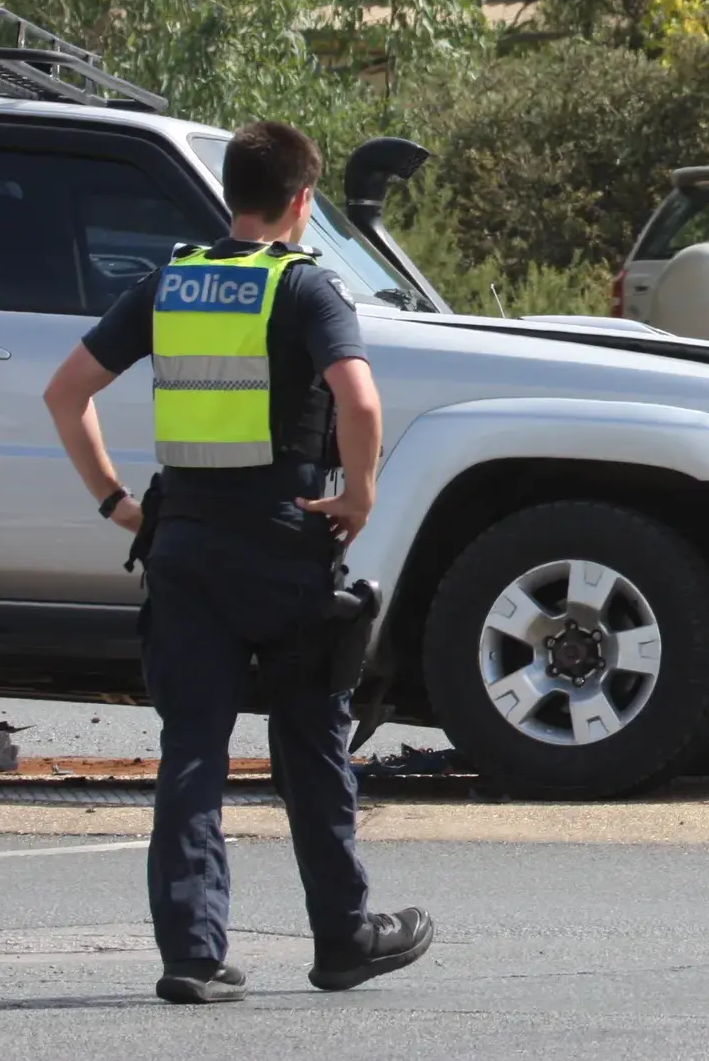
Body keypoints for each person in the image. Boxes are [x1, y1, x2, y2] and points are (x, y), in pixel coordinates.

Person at [45, 120, 431, 1005]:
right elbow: (359, 401)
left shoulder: (168, 284)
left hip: (184, 547)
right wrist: (361, 495)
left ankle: (192, 954)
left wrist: (115, 503)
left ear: (230, 195)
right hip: (287, 548)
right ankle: (342, 938)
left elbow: (66, 393)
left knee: (191, 754)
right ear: (302, 203)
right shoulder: (306, 290)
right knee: (311, 743)